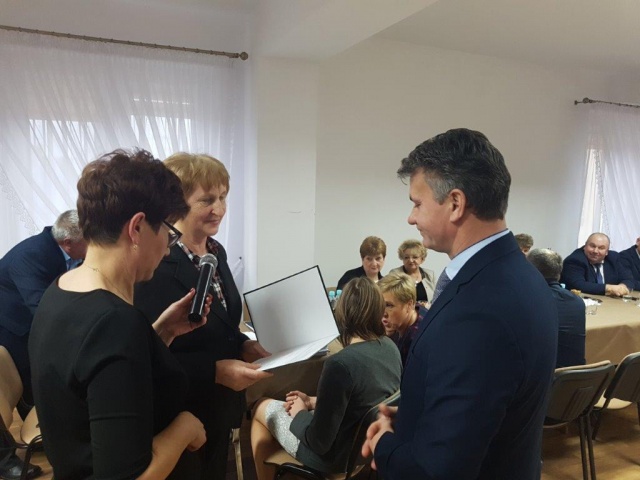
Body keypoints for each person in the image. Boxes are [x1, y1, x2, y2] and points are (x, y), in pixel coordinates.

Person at [361, 128, 558, 479]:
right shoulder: (524, 275)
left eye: (417, 203)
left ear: (455, 204)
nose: (411, 217)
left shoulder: (478, 312)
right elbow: (485, 403)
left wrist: (383, 445)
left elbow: (437, 471)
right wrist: (416, 417)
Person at [29, 149, 207, 480]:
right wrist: (185, 428)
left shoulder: (61, 289)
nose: (167, 247)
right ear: (137, 228)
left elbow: (98, 377)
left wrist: (163, 332)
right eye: (167, 231)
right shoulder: (115, 323)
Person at [135, 152, 271, 479]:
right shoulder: (157, 262)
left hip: (220, 406)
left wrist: (243, 345)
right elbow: (146, 353)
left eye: (223, 197)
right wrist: (213, 372)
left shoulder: (215, 251)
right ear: (176, 203)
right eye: (207, 200)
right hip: (178, 413)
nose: (219, 209)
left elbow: (224, 321)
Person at [250, 277, 401, 480]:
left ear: (343, 313)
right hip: (365, 451)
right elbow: (362, 400)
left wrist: (300, 412)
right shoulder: (391, 348)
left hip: (333, 459)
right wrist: (313, 401)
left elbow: (318, 442)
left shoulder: (340, 364)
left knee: (260, 406)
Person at [0, 211, 87, 480]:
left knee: (36, 384)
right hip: (11, 326)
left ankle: (45, 435)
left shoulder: (67, 250)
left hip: (28, 327)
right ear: (68, 243)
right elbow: (41, 308)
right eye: (91, 240)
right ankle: (4, 459)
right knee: (21, 382)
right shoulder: (31, 256)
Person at [528, 248, 586, 368]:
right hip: (575, 375)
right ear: (559, 274)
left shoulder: (529, 300)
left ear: (529, 271)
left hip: (543, 375)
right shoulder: (577, 301)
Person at [377, 272, 429, 366]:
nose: (382, 313)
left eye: (389, 305)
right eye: (379, 304)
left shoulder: (416, 341)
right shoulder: (414, 311)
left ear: (409, 305)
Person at [560, 232, 634, 297]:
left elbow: (629, 279)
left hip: (609, 302)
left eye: (601, 248)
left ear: (607, 252)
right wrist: (609, 288)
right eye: (592, 246)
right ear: (585, 246)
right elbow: (578, 285)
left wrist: (622, 287)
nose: (595, 251)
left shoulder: (614, 258)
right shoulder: (575, 260)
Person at [388, 239, 435, 306]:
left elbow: (435, 299)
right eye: (406, 257)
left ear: (422, 259)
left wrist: (427, 306)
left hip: (426, 311)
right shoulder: (395, 274)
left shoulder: (430, 275)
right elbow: (391, 298)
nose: (410, 260)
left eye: (415, 257)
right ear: (402, 258)